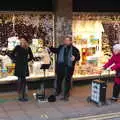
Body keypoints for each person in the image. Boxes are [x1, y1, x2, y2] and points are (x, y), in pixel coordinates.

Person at [49, 35, 80, 101]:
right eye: (65, 40)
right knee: (59, 80)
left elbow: (78, 57)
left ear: (71, 41)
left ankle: (66, 94)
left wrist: (75, 58)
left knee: (67, 81)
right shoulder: (61, 47)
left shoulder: (74, 49)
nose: (66, 41)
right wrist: (50, 47)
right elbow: (55, 50)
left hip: (68, 68)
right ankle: (58, 91)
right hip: (60, 67)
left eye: (68, 40)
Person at [11, 35, 34, 102]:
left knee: (24, 81)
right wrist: (16, 60)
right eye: (21, 40)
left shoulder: (28, 48)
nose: (22, 41)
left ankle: (24, 96)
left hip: (24, 66)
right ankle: (20, 95)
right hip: (19, 66)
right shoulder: (17, 47)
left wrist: (27, 60)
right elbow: (11, 54)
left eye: (23, 40)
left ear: (25, 41)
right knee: (19, 81)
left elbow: (31, 57)